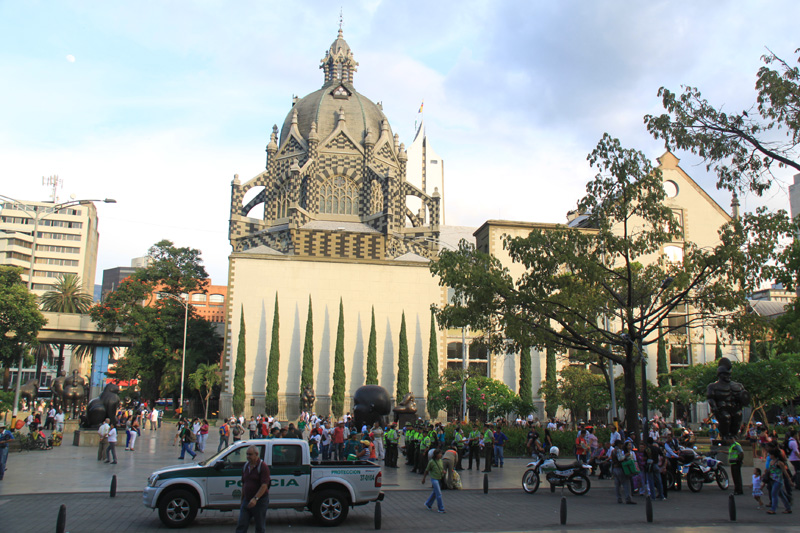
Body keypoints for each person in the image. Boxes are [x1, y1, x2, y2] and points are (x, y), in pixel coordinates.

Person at [236, 446, 270, 533]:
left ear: (256, 454)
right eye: (247, 454)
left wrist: (255, 498)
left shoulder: (263, 467)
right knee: (241, 525)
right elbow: (244, 484)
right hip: (247, 500)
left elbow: (264, 485)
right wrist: (242, 499)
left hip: (260, 501)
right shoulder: (246, 466)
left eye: (250, 454)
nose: (248, 456)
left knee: (259, 526)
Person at [765, 448, 792, 514]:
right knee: (781, 494)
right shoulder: (771, 462)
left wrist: (789, 480)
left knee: (774, 494)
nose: (769, 456)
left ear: (774, 455)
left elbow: (785, 472)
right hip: (772, 479)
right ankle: (788, 508)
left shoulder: (779, 463)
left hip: (778, 480)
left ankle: (773, 509)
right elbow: (769, 470)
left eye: (770, 454)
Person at [612, 440, 637, 504]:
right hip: (620, 468)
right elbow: (620, 458)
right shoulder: (618, 450)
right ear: (618, 444)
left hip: (615, 468)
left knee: (617, 485)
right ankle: (628, 498)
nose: (622, 445)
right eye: (621, 444)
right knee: (626, 483)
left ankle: (619, 498)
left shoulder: (613, 451)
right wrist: (625, 455)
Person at [421, 449, 446, 513]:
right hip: (434, 479)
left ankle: (428, 503)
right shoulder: (431, 462)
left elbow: (441, 468)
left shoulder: (440, 461)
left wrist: (443, 471)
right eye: (440, 454)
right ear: (436, 455)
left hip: (439, 478)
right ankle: (441, 508)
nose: (441, 455)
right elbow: (426, 470)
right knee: (438, 493)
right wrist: (424, 478)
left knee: (435, 492)